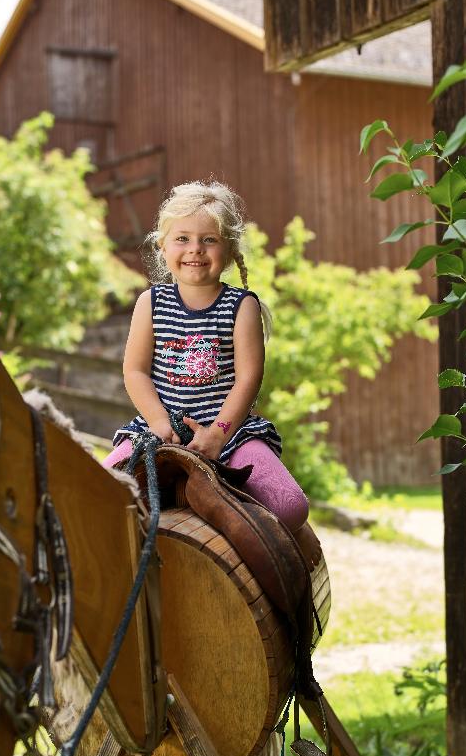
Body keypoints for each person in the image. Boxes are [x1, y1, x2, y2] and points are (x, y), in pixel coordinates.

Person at [103, 180, 320, 567]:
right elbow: (134, 371)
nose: (194, 250)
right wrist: (156, 421)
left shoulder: (241, 306)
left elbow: (248, 378)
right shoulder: (150, 303)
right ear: (162, 246)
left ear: (230, 248)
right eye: (182, 238)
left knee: (291, 508)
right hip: (158, 432)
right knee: (96, 492)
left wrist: (218, 435)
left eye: (209, 240)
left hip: (230, 434)